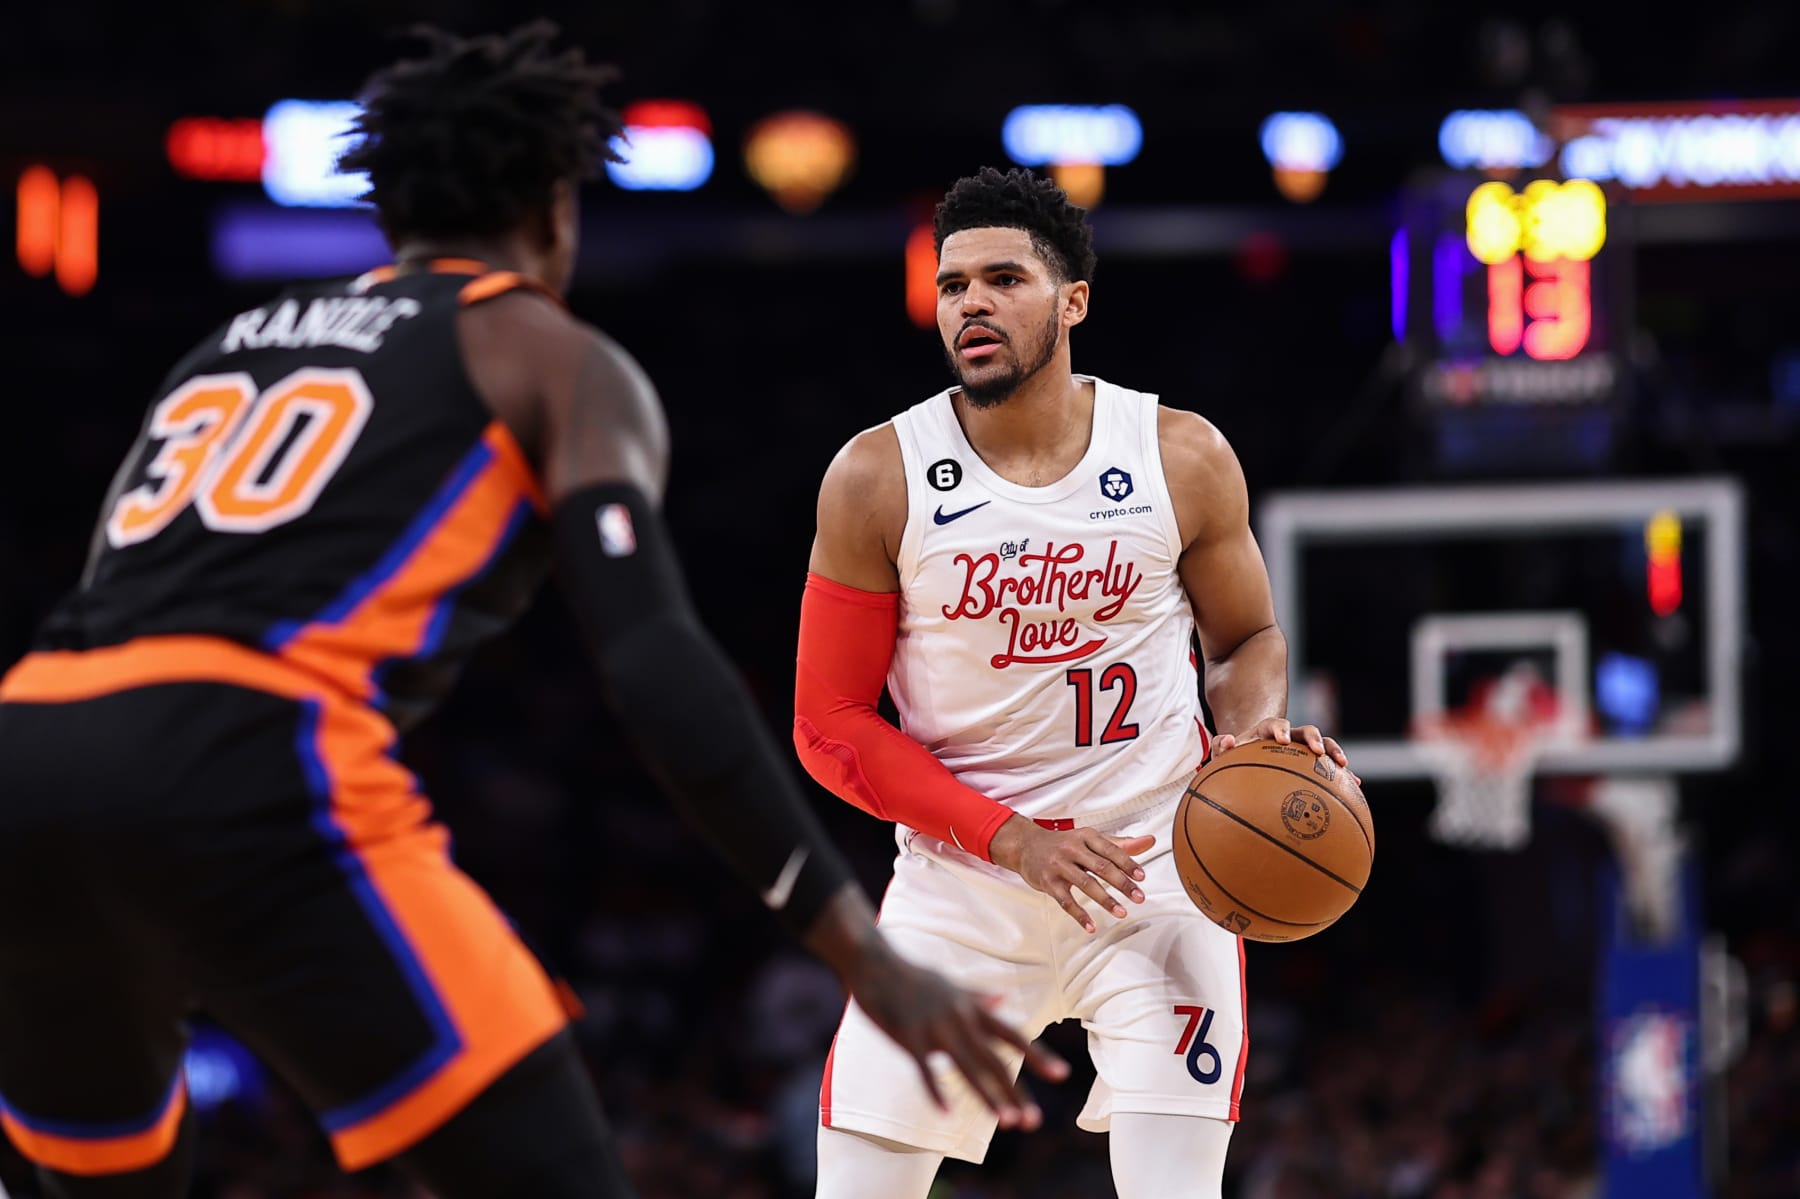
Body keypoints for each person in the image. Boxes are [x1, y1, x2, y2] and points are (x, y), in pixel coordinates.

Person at [0, 26, 1061, 1199]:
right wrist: (856, 943)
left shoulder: (221, 352)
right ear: (557, 207)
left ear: (389, 210)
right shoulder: (549, 355)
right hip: (251, 748)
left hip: (31, 745)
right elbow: (653, 659)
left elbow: (109, 598)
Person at [794, 166, 1351, 1198]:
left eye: (1004, 279)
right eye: (953, 285)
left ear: (1073, 301)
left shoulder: (1181, 455)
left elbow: (1244, 641)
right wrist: (1014, 837)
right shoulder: (878, 475)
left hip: (1159, 877)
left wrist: (1252, 733)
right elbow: (829, 724)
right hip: (963, 887)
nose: (972, 303)